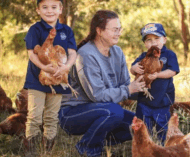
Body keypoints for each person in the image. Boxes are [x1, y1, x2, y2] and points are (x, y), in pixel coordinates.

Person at [58, 10, 145, 157]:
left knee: (140, 125)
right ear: (99, 31)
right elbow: (97, 96)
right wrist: (128, 89)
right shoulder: (86, 55)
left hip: (103, 109)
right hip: (72, 113)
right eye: (114, 29)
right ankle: (87, 148)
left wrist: (144, 85)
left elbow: (125, 86)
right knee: (114, 111)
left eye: (120, 29)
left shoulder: (117, 52)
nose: (119, 33)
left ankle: (98, 141)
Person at [23, 0, 77, 155]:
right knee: (34, 116)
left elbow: (73, 53)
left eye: (54, 7)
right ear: (38, 9)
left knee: (51, 117)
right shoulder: (35, 29)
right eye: (44, 7)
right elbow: (32, 53)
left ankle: (47, 151)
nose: (49, 11)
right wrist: (43, 67)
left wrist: (67, 67)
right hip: (36, 80)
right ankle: (31, 151)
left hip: (58, 79)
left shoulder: (66, 31)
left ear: (60, 9)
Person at [130, 23, 180, 144]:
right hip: (144, 101)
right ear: (145, 44)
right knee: (143, 128)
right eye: (149, 40)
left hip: (162, 101)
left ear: (164, 39)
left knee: (163, 127)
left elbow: (173, 71)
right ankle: (145, 146)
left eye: (157, 38)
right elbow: (132, 69)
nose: (154, 42)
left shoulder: (169, 55)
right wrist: (134, 68)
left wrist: (158, 75)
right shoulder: (143, 56)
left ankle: (163, 147)